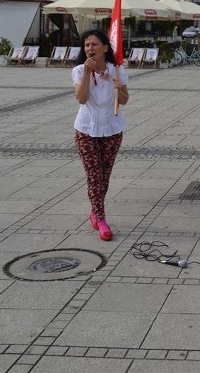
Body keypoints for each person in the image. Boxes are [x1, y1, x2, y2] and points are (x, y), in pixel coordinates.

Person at [72, 29, 129, 241]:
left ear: (105, 47)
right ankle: (102, 219)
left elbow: (124, 100)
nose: (90, 49)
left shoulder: (117, 71)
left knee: (104, 177)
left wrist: (119, 88)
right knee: (94, 176)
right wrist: (88, 73)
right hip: (86, 131)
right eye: (87, 45)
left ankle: (94, 211)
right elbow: (81, 98)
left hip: (112, 130)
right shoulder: (79, 71)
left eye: (94, 44)